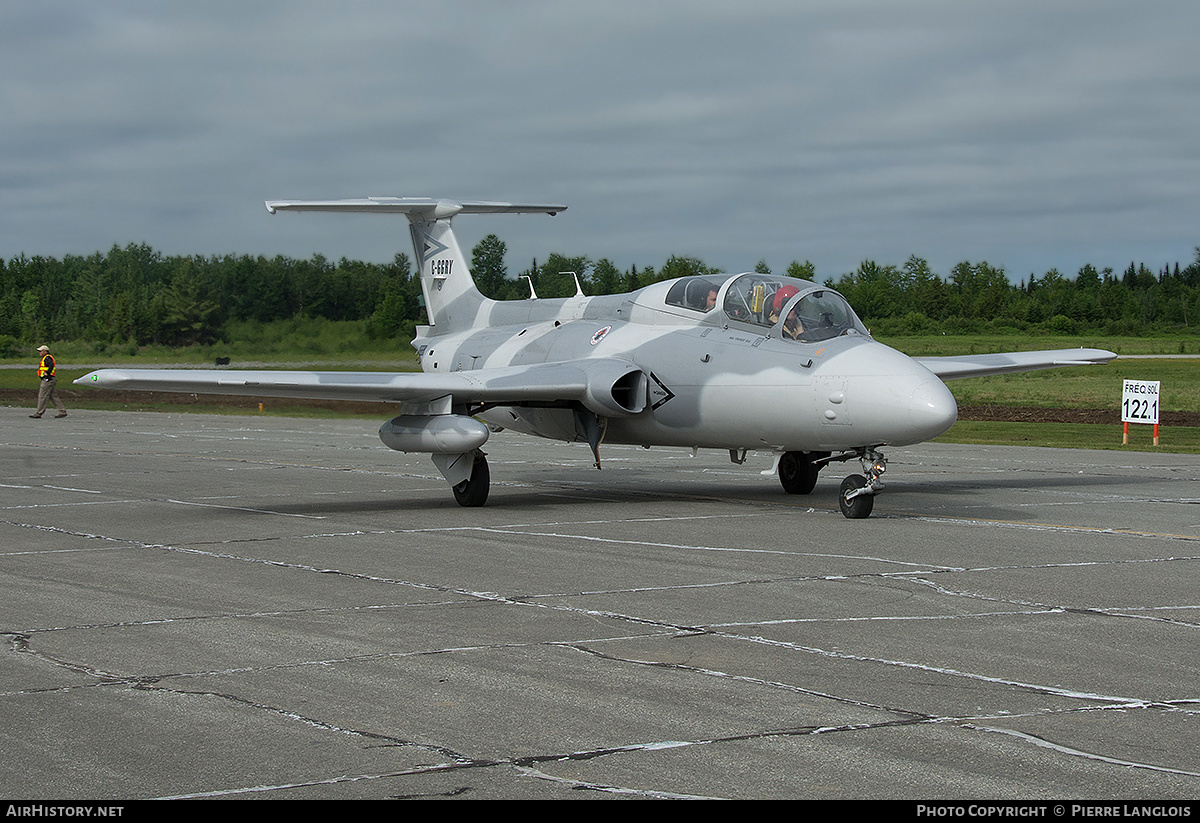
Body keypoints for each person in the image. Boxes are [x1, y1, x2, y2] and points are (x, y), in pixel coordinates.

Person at [30, 345, 67, 419]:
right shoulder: (47, 358)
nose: (39, 352)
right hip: (51, 380)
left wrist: (47, 372)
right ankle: (62, 411)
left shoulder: (47, 358)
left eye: (40, 351)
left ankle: (39, 412)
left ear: (45, 351)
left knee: (42, 396)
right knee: (53, 396)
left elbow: (51, 365)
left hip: (47, 380)